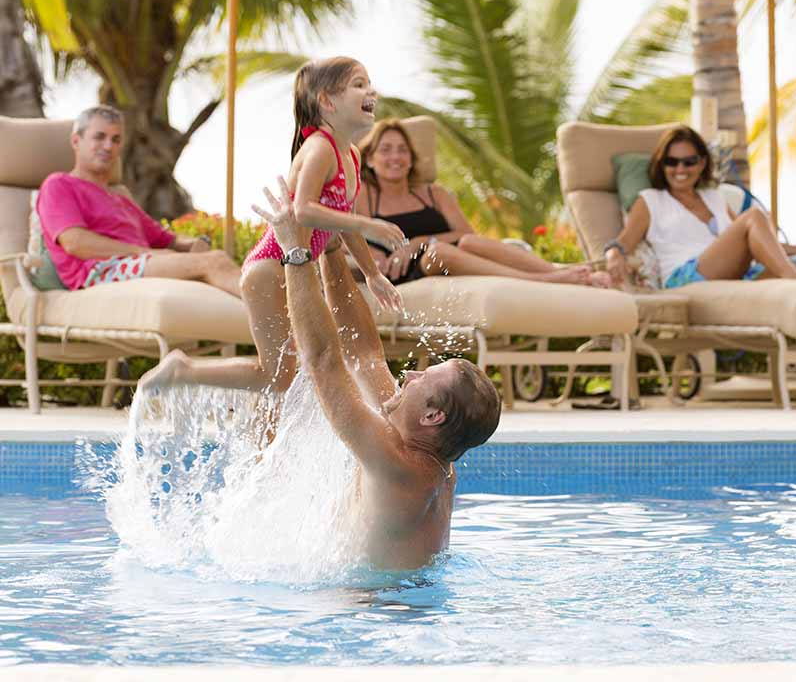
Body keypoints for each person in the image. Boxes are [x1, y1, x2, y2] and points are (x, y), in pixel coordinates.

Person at [253, 176, 502, 569]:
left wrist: (295, 252)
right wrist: (332, 245)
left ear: (433, 416)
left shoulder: (397, 465)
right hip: (405, 604)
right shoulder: (433, 459)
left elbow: (322, 361)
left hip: (370, 610)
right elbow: (366, 355)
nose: (409, 377)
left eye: (423, 378)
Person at [143, 58, 405, 401]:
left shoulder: (350, 155)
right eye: (359, 84)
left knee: (291, 374)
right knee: (277, 376)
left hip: (295, 269)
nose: (371, 90)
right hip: (268, 268)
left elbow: (344, 217)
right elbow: (304, 210)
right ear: (327, 101)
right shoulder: (319, 149)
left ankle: (261, 444)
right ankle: (184, 371)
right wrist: (367, 224)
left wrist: (372, 274)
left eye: (369, 82)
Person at [355, 118, 611, 287]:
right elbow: (349, 237)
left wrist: (420, 242)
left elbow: (465, 234)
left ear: (411, 159)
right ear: (370, 159)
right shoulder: (365, 195)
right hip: (406, 273)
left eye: (402, 150)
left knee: (469, 242)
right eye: (385, 149)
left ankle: (557, 270)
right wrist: (381, 256)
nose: (395, 157)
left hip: (449, 257)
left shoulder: (434, 193)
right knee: (439, 251)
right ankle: (543, 279)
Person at [37, 105, 241, 295]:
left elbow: (168, 239)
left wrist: (194, 243)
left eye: (116, 140)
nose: (108, 146)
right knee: (212, 262)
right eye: (99, 137)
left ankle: (260, 322)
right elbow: (75, 243)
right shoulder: (58, 185)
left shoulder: (121, 201)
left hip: (137, 266)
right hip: (98, 273)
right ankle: (271, 319)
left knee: (215, 265)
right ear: (76, 141)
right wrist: (145, 254)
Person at [603, 125, 796, 289]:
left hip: (735, 275)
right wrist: (613, 255)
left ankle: (793, 279)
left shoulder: (715, 198)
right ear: (661, 165)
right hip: (685, 277)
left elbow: (759, 244)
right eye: (672, 162)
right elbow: (624, 242)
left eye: (689, 162)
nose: (680, 169)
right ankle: (793, 280)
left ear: (702, 163)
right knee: (755, 216)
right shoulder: (650, 200)